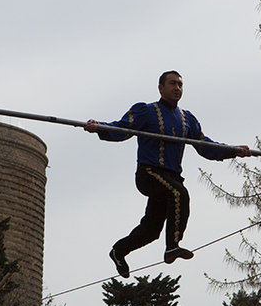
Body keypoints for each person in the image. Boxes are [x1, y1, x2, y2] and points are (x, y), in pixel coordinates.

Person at [85, 71, 250, 278]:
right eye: (172, 83)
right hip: (149, 173)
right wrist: (99, 127)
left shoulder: (187, 119)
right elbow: (122, 128)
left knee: (151, 231)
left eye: (180, 84)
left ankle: (119, 251)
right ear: (161, 88)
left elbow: (205, 146)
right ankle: (173, 245)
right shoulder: (146, 111)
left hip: (171, 177)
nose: (177, 88)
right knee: (179, 194)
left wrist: (233, 150)